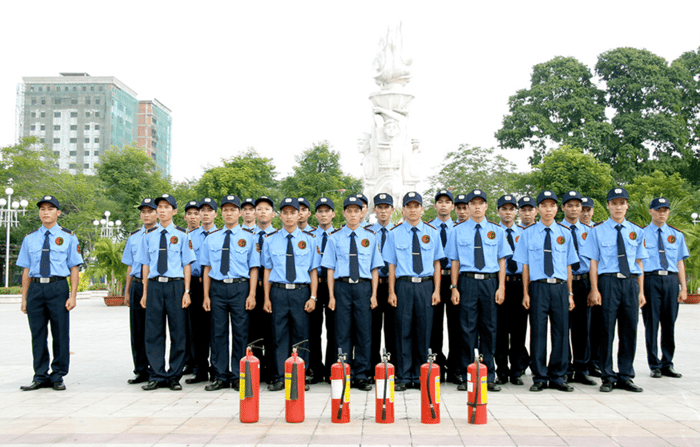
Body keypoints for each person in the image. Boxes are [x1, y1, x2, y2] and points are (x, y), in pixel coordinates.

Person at [581, 187, 647, 393]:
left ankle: (625, 375)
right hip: (607, 283)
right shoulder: (597, 231)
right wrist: (594, 289)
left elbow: (639, 263)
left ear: (627, 205)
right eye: (614, 203)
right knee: (606, 330)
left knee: (629, 330)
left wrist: (641, 291)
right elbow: (593, 262)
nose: (618, 207)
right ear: (608, 205)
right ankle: (607, 376)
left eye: (622, 203)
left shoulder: (637, 231)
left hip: (629, 283)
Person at [444, 189, 509, 392]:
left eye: (481, 203)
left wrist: (501, 287)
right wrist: (454, 287)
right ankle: (466, 375)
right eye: (473, 204)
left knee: (489, 329)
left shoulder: (497, 231)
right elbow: (454, 261)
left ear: (487, 206)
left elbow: (501, 260)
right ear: (468, 207)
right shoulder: (457, 230)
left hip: (490, 283)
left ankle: (489, 375)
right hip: (467, 282)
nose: (477, 207)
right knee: (467, 328)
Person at [513, 191, 577, 392]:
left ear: (557, 209)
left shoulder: (565, 233)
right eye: (544, 206)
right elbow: (525, 266)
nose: (548, 209)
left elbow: (568, 266)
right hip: (538, 286)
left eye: (552, 206)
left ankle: (558, 376)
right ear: (538, 209)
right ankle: (540, 376)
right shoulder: (528, 233)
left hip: (559, 287)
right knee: (538, 332)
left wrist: (570, 293)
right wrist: (525, 293)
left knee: (560, 333)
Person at [17, 196, 83, 391]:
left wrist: (73, 295)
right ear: (39, 213)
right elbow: (26, 270)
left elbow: (74, 268)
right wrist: (24, 298)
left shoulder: (69, 237)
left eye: (50, 208)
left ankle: (58, 375)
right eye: (42, 209)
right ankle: (40, 375)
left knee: (60, 332)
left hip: (57, 287)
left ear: (58, 212)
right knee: (37, 333)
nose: (46, 212)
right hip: (36, 289)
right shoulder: (30, 238)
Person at [383, 192, 444, 391]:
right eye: (408, 206)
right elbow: (391, 265)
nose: (412, 210)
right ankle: (403, 375)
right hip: (404, 285)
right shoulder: (394, 233)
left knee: (424, 330)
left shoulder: (432, 232)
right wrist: (391, 291)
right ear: (403, 210)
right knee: (403, 330)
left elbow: (437, 264)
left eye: (416, 206)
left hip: (426, 286)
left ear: (422, 209)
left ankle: (420, 375)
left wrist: (437, 290)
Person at [322, 196, 384, 390]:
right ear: (344, 213)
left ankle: (361, 374)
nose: (353, 214)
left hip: (364, 287)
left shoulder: (370, 238)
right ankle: (342, 372)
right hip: (342, 287)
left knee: (364, 332)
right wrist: (331, 295)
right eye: (349, 211)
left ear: (362, 213)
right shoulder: (334, 238)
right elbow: (330, 269)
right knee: (342, 332)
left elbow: (375, 269)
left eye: (356, 211)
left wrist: (374, 294)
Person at [200, 195, 260, 391]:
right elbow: (207, 268)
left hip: (239, 287)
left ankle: (238, 375)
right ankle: (220, 375)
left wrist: (251, 294)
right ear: (221, 213)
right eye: (225, 209)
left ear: (240, 213)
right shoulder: (212, 238)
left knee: (241, 333)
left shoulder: (249, 238)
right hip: (217, 288)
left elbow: (253, 268)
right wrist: (206, 295)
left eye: (233, 209)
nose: (229, 213)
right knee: (218, 333)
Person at [139, 194, 196, 391]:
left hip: (175, 285)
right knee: (153, 332)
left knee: (178, 332)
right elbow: (145, 265)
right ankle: (156, 374)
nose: (162, 210)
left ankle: (173, 375)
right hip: (155, 285)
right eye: (159, 207)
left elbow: (186, 264)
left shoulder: (182, 234)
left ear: (174, 211)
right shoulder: (149, 235)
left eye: (166, 207)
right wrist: (145, 292)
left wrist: (187, 291)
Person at [262, 197, 320, 391]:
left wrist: (313, 296)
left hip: (300, 292)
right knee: (279, 336)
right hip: (278, 292)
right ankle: (279, 376)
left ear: (299, 215)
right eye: (285, 213)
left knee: (301, 335)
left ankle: (299, 377)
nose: (289, 216)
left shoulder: (309, 241)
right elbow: (267, 271)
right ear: (280, 215)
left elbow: (313, 271)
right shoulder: (270, 241)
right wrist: (267, 298)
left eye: (293, 212)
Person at [642, 197, 689, 379]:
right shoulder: (641, 234)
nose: (662, 213)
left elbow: (680, 262)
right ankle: (654, 364)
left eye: (665, 210)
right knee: (651, 324)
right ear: (650, 211)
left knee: (669, 323)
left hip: (670, 280)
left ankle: (667, 363)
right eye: (658, 210)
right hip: (651, 279)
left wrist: (683, 287)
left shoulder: (676, 235)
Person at [559, 191, 596, 386]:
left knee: (583, 327)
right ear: (563, 208)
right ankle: (564, 368)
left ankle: (582, 368)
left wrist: (593, 288)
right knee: (563, 326)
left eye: (577, 206)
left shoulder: (590, 231)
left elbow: (594, 261)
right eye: (570, 205)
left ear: (582, 209)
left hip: (584, 281)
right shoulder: (557, 230)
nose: (574, 209)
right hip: (563, 283)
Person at [122, 198, 159, 384]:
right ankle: (141, 369)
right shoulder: (134, 237)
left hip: (155, 285)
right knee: (137, 328)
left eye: (150, 211)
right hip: (137, 284)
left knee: (154, 329)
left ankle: (156, 367)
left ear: (157, 213)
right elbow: (130, 266)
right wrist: (127, 291)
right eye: (143, 212)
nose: (146, 215)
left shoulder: (163, 234)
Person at [494, 194, 528, 386]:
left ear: (516, 211)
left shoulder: (524, 232)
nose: (508, 212)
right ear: (498, 211)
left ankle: (517, 370)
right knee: (500, 330)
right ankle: (501, 371)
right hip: (500, 283)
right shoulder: (492, 232)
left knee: (519, 329)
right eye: (504, 209)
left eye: (511, 209)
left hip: (518, 284)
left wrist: (526, 290)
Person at [185, 197, 218, 384]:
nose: (205, 214)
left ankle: (216, 369)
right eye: (201, 211)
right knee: (197, 330)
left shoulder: (221, 235)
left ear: (215, 214)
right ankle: (200, 370)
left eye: (208, 210)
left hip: (216, 285)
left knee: (216, 328)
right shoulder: (191, 236)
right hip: (196, 285)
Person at [366, 193, 396, 370]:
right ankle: (371, 367)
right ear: (374, 210)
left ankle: (393, 366)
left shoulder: (398, 231)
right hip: (373, 286)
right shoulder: (367, 232)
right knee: (372, 328)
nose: (383, 211)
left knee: (394, 328)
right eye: (380, 207)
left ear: (392, 210)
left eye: (387, 207)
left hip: (393, 285)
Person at [308, 197, 336, 384]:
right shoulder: (309, 236)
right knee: (313, 328)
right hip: (315, 285)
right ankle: (315, 369)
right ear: (316, 214)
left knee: (335, 328)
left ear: (333, 214)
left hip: (334, 285)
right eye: (321, 211)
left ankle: (332, 369)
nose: (324, 214)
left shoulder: (340, 235)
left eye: (327, 211)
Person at [248, 196, 276, 383]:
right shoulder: (247, 236)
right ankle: (255, 370)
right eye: (259, 209)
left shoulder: (278, 236)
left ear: (273, 214)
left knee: (272, 330)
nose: (263, 212)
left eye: (267, 209)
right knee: (252, 330)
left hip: (273, 288)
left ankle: (272, 369)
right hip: (251, 287)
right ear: (254, 213)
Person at [428, 189, 455, 380]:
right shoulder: (428, 229)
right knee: (434, 325)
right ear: (435, 206)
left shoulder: (461, 228)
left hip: (454, 280)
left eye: (447, 202)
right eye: (440, 202)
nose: (444, 205)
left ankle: (455, 367)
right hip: (434, 280)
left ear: (452, 206)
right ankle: (435, 364)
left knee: (456, 325)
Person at [579, 196, 601, 376]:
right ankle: (570, 364)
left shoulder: (596, 230)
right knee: (569, 326)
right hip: (569, 280)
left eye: (588, 210)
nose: (585, 213)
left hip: (590, 280)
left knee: (593, 325)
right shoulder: (563, 230)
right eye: (582, 209)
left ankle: (592, 362)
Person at [182, 200, 201, 376]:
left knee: (201, 325)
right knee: (186, 325)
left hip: (202, 282)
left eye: (196, 214)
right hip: (185, 282)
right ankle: (188, 361)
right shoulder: (182, 235)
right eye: (190, 214)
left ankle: (200, 364)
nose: (193, 217)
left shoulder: (207, 235)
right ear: (185, 216)